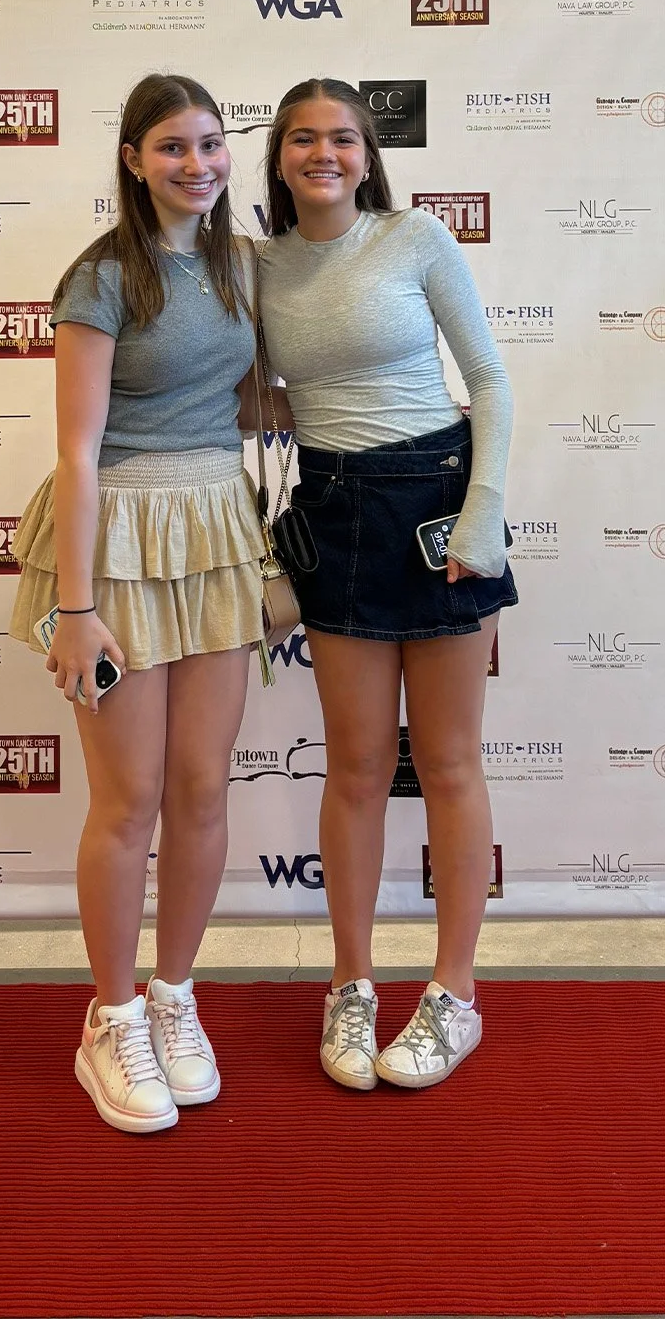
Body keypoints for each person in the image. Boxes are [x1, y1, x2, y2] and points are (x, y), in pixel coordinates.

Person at [10, 73, 265, 1135]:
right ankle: (109, 1018)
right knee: (128, 800)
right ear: (132, 160)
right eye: (171, 147)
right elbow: (76, 451)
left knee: (202, 788)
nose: (196, 165)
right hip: (116, 538)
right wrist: (75, 609)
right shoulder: (102, 275)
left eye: (210, 143)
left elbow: (250, 402)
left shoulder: (241, 263)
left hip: (215, 532)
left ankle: (172, 999)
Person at [257, 77, 517, 1095]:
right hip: (332, 513)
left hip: (437, 505)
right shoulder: (258, 266)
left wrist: (482, 513)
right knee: (356, 770)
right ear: (279, 157)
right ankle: (351, 984)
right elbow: (248, 392)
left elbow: (488, 380)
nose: (322, 152)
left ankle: (454, 993)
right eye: (302, 138)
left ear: (368, 155)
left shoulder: (415, 238)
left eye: (342, 138)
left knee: (447, 764)